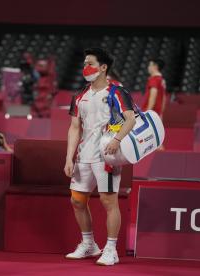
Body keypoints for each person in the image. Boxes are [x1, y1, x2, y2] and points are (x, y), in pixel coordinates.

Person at [64, 47, 136, 266]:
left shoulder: (117, 92)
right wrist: (68, 158)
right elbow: (74, 128)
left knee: (108, 201)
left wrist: (116, 140)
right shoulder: (79, 96)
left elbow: (130, 119)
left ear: (103, 67)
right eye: (85, 63)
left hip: (107, 156)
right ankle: (89, 244)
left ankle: (111, 249)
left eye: (91, 63)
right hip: (83, 156)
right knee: (77, 201)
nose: (87, 67)